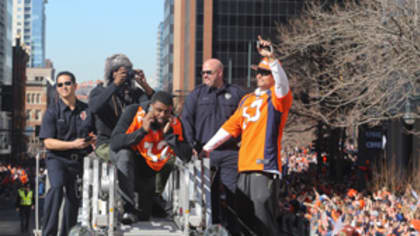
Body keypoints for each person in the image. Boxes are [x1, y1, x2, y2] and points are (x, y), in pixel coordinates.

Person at [203, 35, 293, 236]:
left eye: (264, 72)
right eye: (258, 72)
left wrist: (272, 60)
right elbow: (230, 127)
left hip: (265, 167)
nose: (259, 76)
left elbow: (283, 86)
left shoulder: (277, 99)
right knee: (243, 218)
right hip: (243, 166)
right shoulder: (246, 99)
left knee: (262, 216)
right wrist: (206, 148)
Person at [180, 58, 246, 234]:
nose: (204, 75)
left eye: (208, 72)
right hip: (205, 153)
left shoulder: (237, 93)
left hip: (231, 153)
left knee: (232, 192)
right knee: (208, 196)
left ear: (219, 73)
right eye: (203, 72)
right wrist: (191, 145)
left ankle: (233, 230)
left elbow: (248, 120)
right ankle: (212, 228)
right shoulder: (197, 94)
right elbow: (185, 120)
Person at [110, 91, 192, 224]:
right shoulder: (133, 112)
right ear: (151, 106)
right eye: (158, 110)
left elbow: (186, 156)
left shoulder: (174, 122)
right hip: (130, 163)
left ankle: (155, 199)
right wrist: (141, 131)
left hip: (149, 171)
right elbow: (114, 143)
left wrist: (170, 136)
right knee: (125, 154)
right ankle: (128, 207)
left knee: (144, 217)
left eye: (167, 112)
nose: (162, 115)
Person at [39, 71, 96, 236]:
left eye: (67, 83)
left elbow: (95, 133)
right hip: (57, 159)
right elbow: (48, 142)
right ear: (57, 89)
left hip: (78, 161)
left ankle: (68, 232)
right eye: (60, 85)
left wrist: (93, 140)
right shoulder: (52, 112)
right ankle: (48, 233)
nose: (64, 87)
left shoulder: (87, 111)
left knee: (73, 199)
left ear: (75, 86)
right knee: (56, 188)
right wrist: (73, 144)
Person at [88, 53, 154, 162]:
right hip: (106, 144)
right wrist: (115, 85)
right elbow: (94, 107)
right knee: (125, 155)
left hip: (132, 142)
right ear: (111, 73)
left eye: (126, 71)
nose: (122, 75)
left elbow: (154, 108)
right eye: (117, 71)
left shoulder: (135, 93)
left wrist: (145, 86)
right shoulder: (100, 91)